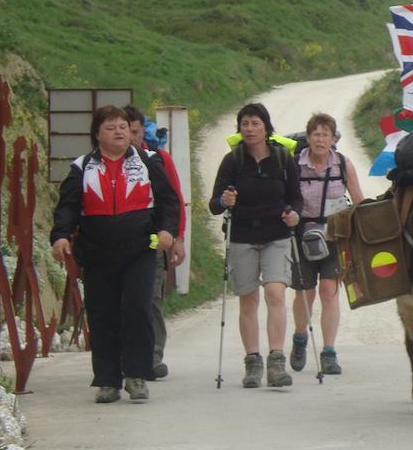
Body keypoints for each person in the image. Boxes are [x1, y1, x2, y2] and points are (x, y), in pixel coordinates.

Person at [50, 105, 180, 404]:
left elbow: (168, 201)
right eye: (111, 127)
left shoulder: (148, 161)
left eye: (123, 125)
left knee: (137, 308)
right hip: (97, 253)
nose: (119, 131)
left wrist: (168, 231)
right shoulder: (82, 167)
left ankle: (136, 375)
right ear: (97, 134)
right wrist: (60, 236)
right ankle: (108, 380)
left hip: (141, 250)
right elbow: (67, 207)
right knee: (103, 314)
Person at [208, 102, 302, 389]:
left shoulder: (283, 159)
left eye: (254, 123)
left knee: (275, 292)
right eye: (244, 124)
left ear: (266, 127)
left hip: (276, 234)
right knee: (248, 299)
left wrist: (293, 214)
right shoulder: (232, 161)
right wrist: (224, 201)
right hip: (242, 236)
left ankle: (276, 362)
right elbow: (214, 204)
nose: (249, 129)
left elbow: (296, 198)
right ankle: (252, 362)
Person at [289, 113, 365, 375]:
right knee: (305, 293)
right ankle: (300, 338)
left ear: (333, 139)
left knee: (329, 291)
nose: (320, 139)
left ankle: (329, 351)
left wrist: (360, 235)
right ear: (308, 138)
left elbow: (358, 202)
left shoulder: (343, 165)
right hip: (303, 236)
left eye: (325, 135)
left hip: (334, 237)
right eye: (316, 134)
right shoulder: (295, 165)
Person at [124, 105, 186, 380]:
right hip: (118, 241)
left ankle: (153, 355)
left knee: (151, 298)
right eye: (126, 131)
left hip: (152, 239)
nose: (130, 138)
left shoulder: (158, 159)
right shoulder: (101, 163)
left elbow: (174, 200)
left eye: (135, 132)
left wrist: (177, 238)